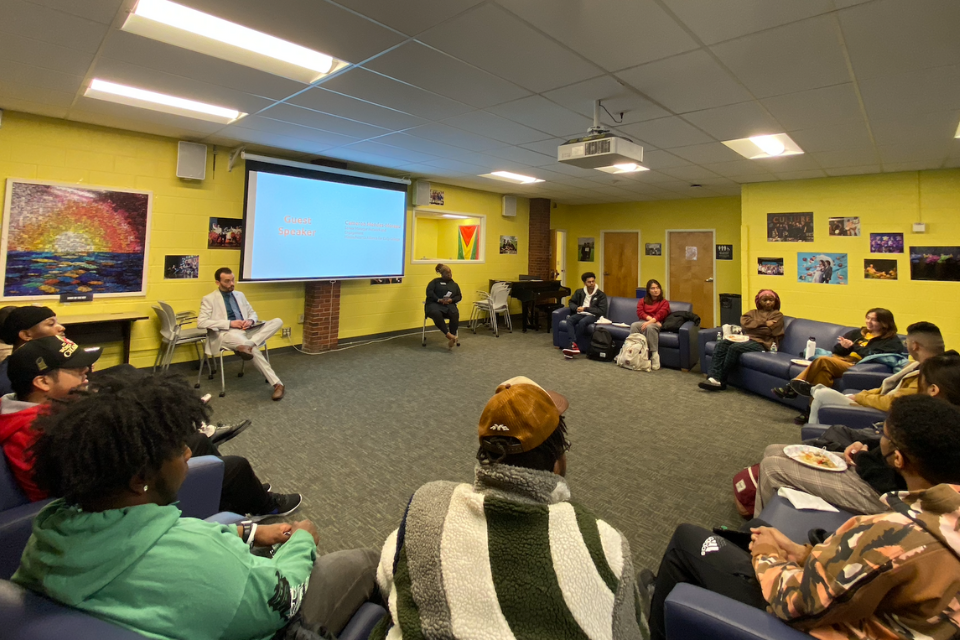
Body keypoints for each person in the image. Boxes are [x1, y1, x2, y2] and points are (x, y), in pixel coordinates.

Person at [13, 374, 379, 640]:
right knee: (362, 562)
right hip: (258, 615)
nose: (188, 452)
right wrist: (302, 541)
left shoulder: (50, 531)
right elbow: (280, 599)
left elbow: (147, 533)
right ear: (140, 477)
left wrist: (246, 531)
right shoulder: (200, 560)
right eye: (176, 447)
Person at [643, 394, 960, 640]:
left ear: (899, 459)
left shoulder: (895, 534)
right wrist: (802, 553)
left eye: (884, 437)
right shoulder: (943, 517)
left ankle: (656, 620)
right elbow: (870, 577)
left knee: (688, 540)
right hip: (876, 609)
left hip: (827, 625)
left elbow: (797, 605)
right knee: (755, 528)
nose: (879, 441)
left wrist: (770, 557)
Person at [370, 376, 645, 640]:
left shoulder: (428, 505)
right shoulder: (604, 544)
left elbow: (386, 579)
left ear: (484, 453)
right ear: (557, 462)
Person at [0, 336, 302, 519]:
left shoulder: (29, 410)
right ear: (41, 382)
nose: (86, 376)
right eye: (77, 372)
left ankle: (224, 494)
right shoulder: (40, 429)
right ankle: (264, 504)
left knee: (195, 440)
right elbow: (96, 481)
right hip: (105, 501)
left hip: (109, 479)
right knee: (235, 466)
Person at [0, 305, 245, 442]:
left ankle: (185, 415)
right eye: (51, 324)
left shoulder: (51, 351)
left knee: (127, 370)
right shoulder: (16, 380)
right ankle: (185, 421)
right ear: (26, 334)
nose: (60, 327)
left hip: (71, 402)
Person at [754, 353, 960, 516]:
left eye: (920, 384)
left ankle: (755, 537)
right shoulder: (931, 416)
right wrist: (866, 447)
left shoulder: (934, 431)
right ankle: (773, 512)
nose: (917, 388)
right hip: (870, 466)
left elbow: (894, 482)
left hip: (880, 492)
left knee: (773, 467)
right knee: (774, 450)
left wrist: (862, 457)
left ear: (933, 389)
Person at [773, 308, 905, 421]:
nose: (869, 322)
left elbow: (876, 356)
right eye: (867, 318)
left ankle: (791, 388)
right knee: (822, 373)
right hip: (839, 359)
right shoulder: (858, 333)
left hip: (856, 365)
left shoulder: (891, 341)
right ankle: (811, 411)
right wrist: (844, 347)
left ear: (885, 323)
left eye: (874, 320)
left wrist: (853, 347)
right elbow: (836, 350)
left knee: (823, 360)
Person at [804, 321, 945, 424]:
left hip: (881, 415)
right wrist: (861, 394)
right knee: (822, 389)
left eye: (906, 343)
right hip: (874, 402)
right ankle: (812, 390)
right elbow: (885, 389)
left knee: (821, 394)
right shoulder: (920, 366)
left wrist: (861, 398)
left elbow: (894, 403)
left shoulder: (929, 375)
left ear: (915, 346)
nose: (906, 346)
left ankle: (811, 444)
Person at [199, 268, 285, 401]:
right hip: (227, 333)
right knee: (252, 349)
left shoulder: (240, 295)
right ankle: (277, 384)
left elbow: (252, 313)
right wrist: (230, 324)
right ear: (218, 282)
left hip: (247, 331)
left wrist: (250, 320)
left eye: (232, 280)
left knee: (277, 321)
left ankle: (248, 345)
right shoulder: (209, 299)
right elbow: (202, 322)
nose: (231, 284)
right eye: (227, 281)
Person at [699, 290, 784, 391]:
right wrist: (765, 323)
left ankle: (720, 379)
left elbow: (767, 332)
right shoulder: (752, 312)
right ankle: (713, 377)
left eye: (771, 300)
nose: (768, 302)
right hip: (746, 338)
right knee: (721, 344)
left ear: (776, 301)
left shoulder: (777, 315)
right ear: (759, 301)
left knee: (734, 348)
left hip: (762, 343)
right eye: (765, 300)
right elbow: (744, 324)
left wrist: (754, 326)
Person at [562, 271, 608, 358]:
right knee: (570, 320)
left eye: (593, 281)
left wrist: (586, 308)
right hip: (581, 313)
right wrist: (576, 308)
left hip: (593, 315)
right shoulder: (579, 292)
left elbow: (601, 311)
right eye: (589, 282)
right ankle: (573, 343)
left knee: (583, 322)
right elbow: (571, 302)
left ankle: (573, 345)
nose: (592, 284)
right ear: (585, 283)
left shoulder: (601, 295)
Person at [630, 279, 670, 371]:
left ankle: (654, 356)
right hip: (646, 321)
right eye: (653, 288)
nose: (655, 290)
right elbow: (640, 313)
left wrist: (650, 322)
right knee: (634, 325)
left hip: (657, 324)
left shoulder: (664, 302)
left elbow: (661, 315)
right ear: (648, 290)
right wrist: (650, 320)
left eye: (657, 288)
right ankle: (633, 351)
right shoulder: (642, 301)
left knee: (650, 327)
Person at [424, 263, 462, 349]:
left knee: (455, 313)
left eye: (450, 273)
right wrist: (438, 299)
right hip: (434, 304)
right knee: (436, 313)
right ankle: (448, 335)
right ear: (442, 274)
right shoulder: (435, 282)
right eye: (447, 274)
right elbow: (429, 293)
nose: (449, 275)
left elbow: (459, 296)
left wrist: (451, 300)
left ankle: (452, 336)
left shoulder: (454, 284)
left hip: (448, 305)